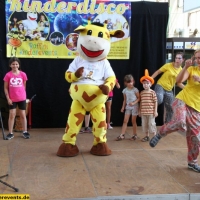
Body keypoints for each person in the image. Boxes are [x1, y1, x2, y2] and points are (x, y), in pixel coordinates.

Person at [150, 49, 200, 173]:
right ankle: (160, 133)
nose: (199, 60)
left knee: (196, 138)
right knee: (179, 121)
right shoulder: (192, 69)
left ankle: (192, 163)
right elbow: (178, 81)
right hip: (182, 100)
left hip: (197, 108)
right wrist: (185, 67)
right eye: (197, 58)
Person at [151, 52, 185, 123]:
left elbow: (178, 83)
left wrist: (187, 89)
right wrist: (150, 80)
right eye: (176, 58)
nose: (177, 59)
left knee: (170, 108)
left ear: (183, 60)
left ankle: (167, 125)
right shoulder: (168, 65)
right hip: (160, 85)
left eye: (179, 58)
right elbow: (157, 72)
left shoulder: (181, 71)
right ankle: (151, 114)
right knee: (159, 100)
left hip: (169, 89)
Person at [3, 57, 30, 140]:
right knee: (12, 115)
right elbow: (5, 88)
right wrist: (8, 98)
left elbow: (24, 86)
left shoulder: (23, 74)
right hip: (12, 99)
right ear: (10, 65)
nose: (15, 65)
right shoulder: (8, 75)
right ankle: (10, 133)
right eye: (13, 64)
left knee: (22, 115)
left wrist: (23, 96)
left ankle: (25, 131)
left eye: (16, 64)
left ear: (19, 65)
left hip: (22, 98)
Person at [116, 75, 140, 141]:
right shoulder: (124, 90)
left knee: (133, 121)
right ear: (125, 83)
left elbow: (139, 98)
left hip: (134, 107)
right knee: (125, 120)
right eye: (128, 82)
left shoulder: (135, 90)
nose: (130, 83)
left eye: (131, 82)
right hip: (128, 107)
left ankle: (134, 135)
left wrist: (133, 103)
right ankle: (122, 134)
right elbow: (125, 100)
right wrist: (123, 107)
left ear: (133, 82)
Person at [139, 69, 158, 142]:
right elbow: (141, 102)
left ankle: (154, 136)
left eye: (147, 83)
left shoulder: (152, 92)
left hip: (151, 112)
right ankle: (147, 136)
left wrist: (155, 111)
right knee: (145, 125)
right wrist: (140, 111)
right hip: (144, 113)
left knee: (152, 124)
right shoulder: (142, 93)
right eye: (144, 83)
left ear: (150, 84)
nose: (145, 85)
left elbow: (155, 102)